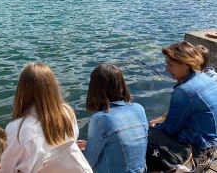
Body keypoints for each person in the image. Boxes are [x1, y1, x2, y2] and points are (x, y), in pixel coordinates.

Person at [0, 62, 92, 173]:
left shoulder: (16, 129)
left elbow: (6, 169)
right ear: (52, 87)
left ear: (22, 90)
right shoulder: (67, 113)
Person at [147, 41, 217, 172]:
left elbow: (169, 129)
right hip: (212, 146)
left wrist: (153, 126)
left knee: (146, 133)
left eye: (170, 65)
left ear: (186, 64)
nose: (166, 69)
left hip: (199, 153)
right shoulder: (206, 78)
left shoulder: (184, 91)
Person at [78, 64, 148, 173]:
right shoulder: (139, 109)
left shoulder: (100, 119)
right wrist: (89, 145)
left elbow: (88, 162)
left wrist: (77, 151)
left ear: (94, 89)